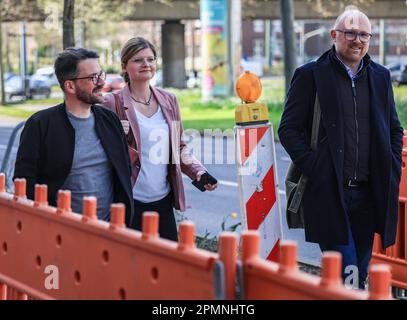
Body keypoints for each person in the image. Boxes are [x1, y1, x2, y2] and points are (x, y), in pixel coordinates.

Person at [278, 8, 403, 289]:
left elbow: (394, 128)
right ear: (335, 35)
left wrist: (392, 165)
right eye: (350, 33)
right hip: (329, 191)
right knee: (347, 272)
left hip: (369, 193)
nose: (357, 40)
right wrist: (316, 168)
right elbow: (288, 129)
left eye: (363, 34)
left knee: (358, 270)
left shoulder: (380, 77)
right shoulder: (310, 75)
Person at [103, 37, 218, 241]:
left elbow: (179, 146)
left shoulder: (169, 100)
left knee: (166, 266)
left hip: (163, 201)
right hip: (129, 202)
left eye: (150, 59)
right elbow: (99, 149)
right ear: (124, 66)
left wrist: (198, 172)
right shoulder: (112, 103)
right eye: (138, 60)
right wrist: (116, 135)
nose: (146, 64)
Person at [14, 48, 134, 227]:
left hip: (110, 231)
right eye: (93, 77)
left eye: (101, 74)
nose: (102, 82)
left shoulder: (109, 120)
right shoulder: (40, 124)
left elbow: (124, 171)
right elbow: (24, 183)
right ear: (70, 86)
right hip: (61, 232)